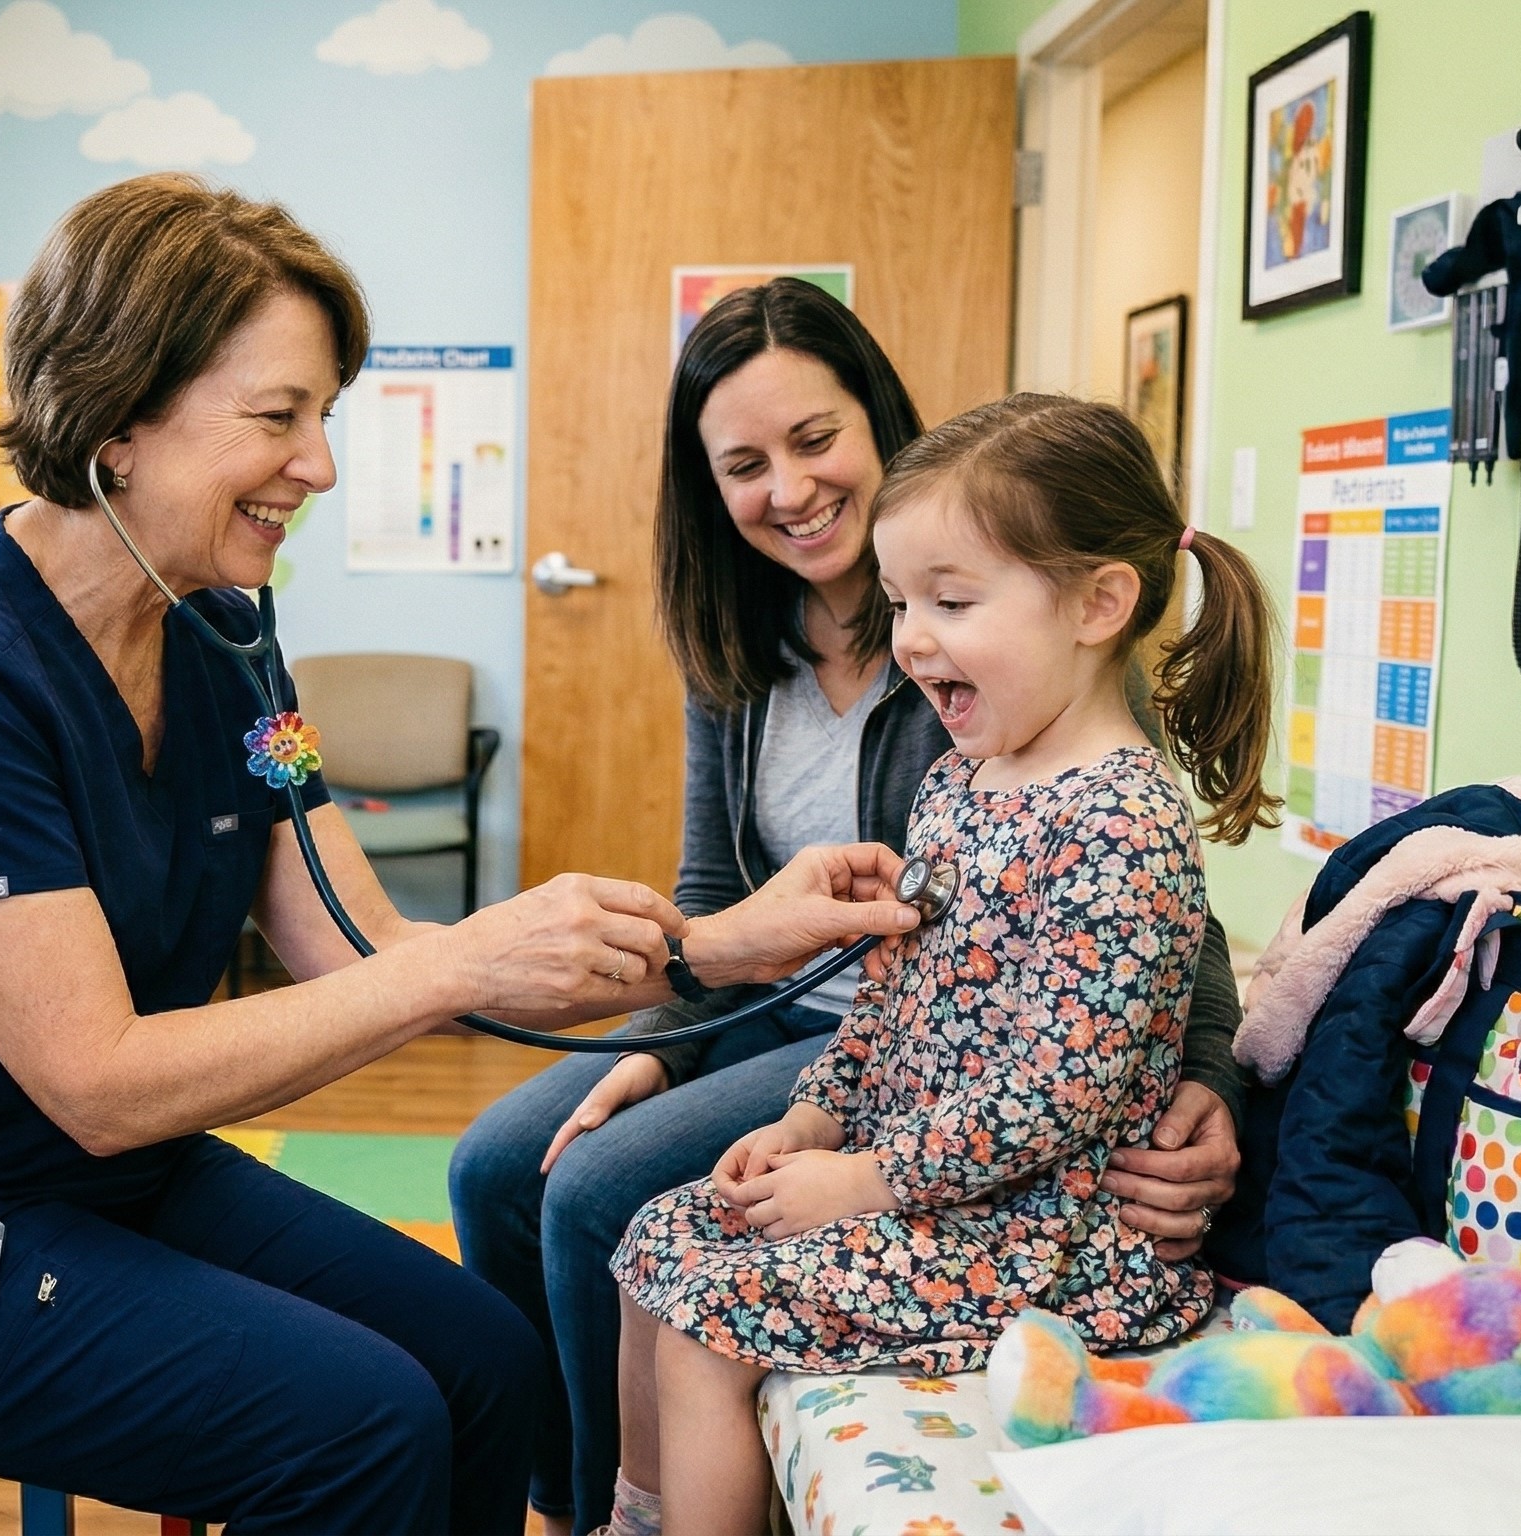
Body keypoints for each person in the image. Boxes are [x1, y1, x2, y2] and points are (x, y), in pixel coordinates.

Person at [0, 175, 924, 1536]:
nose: (320, 465)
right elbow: (101, 1084)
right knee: (360, 1427)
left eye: (325, 417)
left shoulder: (229, 635)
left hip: (114, 1185)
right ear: (117, 417)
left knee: (485, 1366)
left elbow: (362, 946)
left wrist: (710, 945)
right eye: (277, 417)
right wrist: (457, 962)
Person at [447, 281, 1248, 1536]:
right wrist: (679, 1062)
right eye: (744, 464)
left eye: (814, 440)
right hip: (829, 1044)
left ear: (875, 425)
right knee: (505, 1161)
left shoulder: (1049, 709)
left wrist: (1208, 1079)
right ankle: (576, 1504)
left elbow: (1131, 991)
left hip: (998, 1169)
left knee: (599, 1199)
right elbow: (734, 909)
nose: (788, 488)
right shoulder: (885, 711)